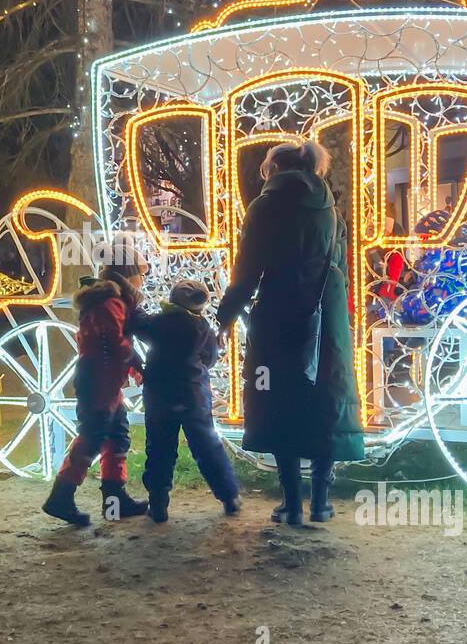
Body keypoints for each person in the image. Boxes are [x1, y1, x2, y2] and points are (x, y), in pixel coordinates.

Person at [216, 141, 363, 526]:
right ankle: (321, 502)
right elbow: (341, 271)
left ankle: (292, 504)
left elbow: (246, 273)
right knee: (324, 399)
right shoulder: (331, 210)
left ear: (276, 167)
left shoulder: (265, 207)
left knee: (279, 400)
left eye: (265, 168)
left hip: (280, 316)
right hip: (326, 319)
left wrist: (224, 319)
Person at [41, 247, 150, 527]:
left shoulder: (107, 300)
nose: (142, 280)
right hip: (99, 381)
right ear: (128, 274)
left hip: (104, 380)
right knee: (92, 436)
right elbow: (112, 342)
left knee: (116, 436)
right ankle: (61, 496)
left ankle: (114, 500)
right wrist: (133, 360)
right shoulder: (111, 302)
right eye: (139, 273)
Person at [138, 279, 242, 523]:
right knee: (207, 445)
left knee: (159, 448)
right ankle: (229, 496)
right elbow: (210, 358)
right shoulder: (202, 327)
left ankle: (158, 503)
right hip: (193, 395)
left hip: (159, 396)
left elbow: (137, 324)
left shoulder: (157, 323)